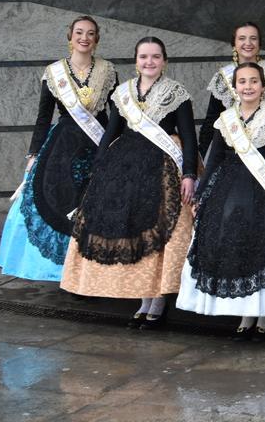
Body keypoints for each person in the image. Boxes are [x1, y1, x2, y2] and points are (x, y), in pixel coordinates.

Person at [61, 37, 198, 329]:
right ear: (136, 61)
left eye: (156, 57)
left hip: (162, 167)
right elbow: (111, 132)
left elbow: (189, 137)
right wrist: (99, 169)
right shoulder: (122, 93)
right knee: (131, 228)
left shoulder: (177, 93)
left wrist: (189, 174)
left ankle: (158, 300)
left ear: (165, 61)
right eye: (144, 57)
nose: (150, 62)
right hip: (124, 167)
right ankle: (141, 299)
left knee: (159, 230)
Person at [177, 62, 265, 340]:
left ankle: (264, 318)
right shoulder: (225, 119)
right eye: (242, 82)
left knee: (264, 246)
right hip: (229, 189)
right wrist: (201, 194)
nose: (248, 86)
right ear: (235, 88)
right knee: (235, 245)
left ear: (263, 87)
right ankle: (246, 315)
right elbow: (214, 161)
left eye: (253, 81)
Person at [0, 16, 117, 282]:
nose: (84, 37)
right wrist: (33, 155)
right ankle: (65, 270)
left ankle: (93, 269)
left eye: (90, 33)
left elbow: (116, 113)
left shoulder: (108, 70)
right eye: (79, 32)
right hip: (61, 149)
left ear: (96, 39)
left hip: (98, 146)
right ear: (69, 37)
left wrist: (117, 146)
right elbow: (43, 117)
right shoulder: (54, 73)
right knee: (58, 201)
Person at [197, 22, 265, 174]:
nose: (248, 43)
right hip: (231, 153)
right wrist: (203, 156)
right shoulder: (223, 77)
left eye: (253, 38)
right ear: (234, 44)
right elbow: (212, 120)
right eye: (242, 38)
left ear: (259, 43)